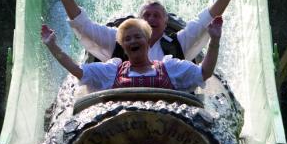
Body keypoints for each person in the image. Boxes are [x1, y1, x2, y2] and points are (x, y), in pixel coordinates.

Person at [50, 0, 238, 62]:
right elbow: (85, 27)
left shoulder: (177, 46)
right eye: (146, 16)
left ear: (166, 23)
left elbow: (205, 20)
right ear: (137, 22)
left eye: (157, 16)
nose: (151, 19)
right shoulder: (117, 42)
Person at [41, 15, 223, 93]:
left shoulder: (169, 67)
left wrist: (214, 40)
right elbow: (78, 71)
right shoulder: (112, 70)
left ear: (147, 40)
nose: (133, 41)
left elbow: (203, 73)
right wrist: (53, 47)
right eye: (127, 39)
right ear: (123, 45)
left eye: (138, 37)